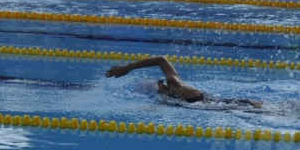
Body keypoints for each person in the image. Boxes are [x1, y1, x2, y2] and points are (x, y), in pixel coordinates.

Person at [106, 56, 262, 108]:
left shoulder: (174, 84)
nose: (162, 81)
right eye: (159, 82)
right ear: (158, 87)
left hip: (231, 104)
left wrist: (130, 66)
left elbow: (161, 59)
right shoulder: (167, 96)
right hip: (224, 106)